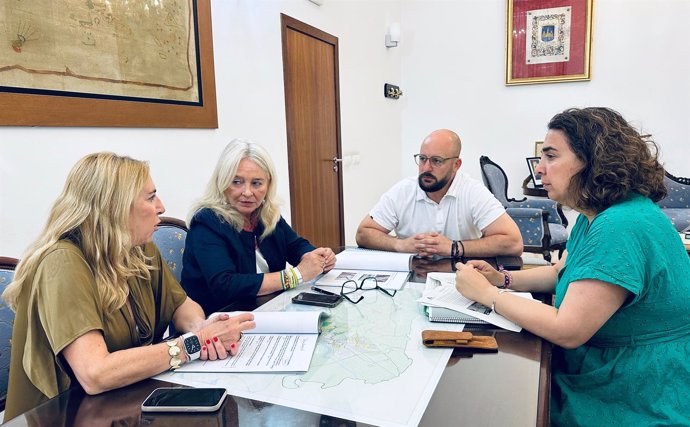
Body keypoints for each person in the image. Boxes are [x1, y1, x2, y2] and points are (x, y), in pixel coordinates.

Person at [455, 107, 690, 425]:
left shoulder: (619, 226)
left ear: (594, 161)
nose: (539, 170)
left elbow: (567, 329)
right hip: (613, 365)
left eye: (550, 157)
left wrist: (487, 294)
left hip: (636, 386)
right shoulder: (598, 214)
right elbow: (562, 272)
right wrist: (503, 279)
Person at [1, 152, 256, 421]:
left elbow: (181, 305)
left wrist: (200, 327)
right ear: (114, 207)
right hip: (63, 416)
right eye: (150, 197)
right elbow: (95, 373)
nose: (161, 207)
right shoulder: (63, 262)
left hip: (124, 406)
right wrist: (190, 345)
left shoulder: (138, 248)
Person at [181, 139, 337, 314]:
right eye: (237, 182)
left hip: (266, 309)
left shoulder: (265, 213)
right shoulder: (207, 222)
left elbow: (295, 245)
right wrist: (295, 276)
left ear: (268, 185)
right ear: (222, 183)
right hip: (219, 321)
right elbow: (225, 285)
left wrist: (317, 257)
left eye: (256, 183)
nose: (247, 192)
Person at [355, 129, 522, 257]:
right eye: (422, 159)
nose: (426, 168)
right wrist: (401, 245)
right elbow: (363, 233)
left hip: (461, 276)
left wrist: (454, 247)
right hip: (413, 277)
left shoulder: (472, 192)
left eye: (436, 161)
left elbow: (513, 243)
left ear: (456, 164)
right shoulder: (404, 190)